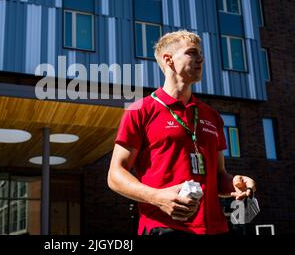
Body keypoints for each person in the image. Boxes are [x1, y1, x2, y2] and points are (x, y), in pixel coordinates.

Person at [107, 30, 256, 236]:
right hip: (164, 227)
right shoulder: (140, 110)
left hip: (216, 228)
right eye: (192, 53)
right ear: (169, 60)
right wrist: (158, 197)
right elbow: (115, 175)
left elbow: (219, 177)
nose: (201, 59)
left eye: (200, 54)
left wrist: (234, 183)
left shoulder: (212, 116)